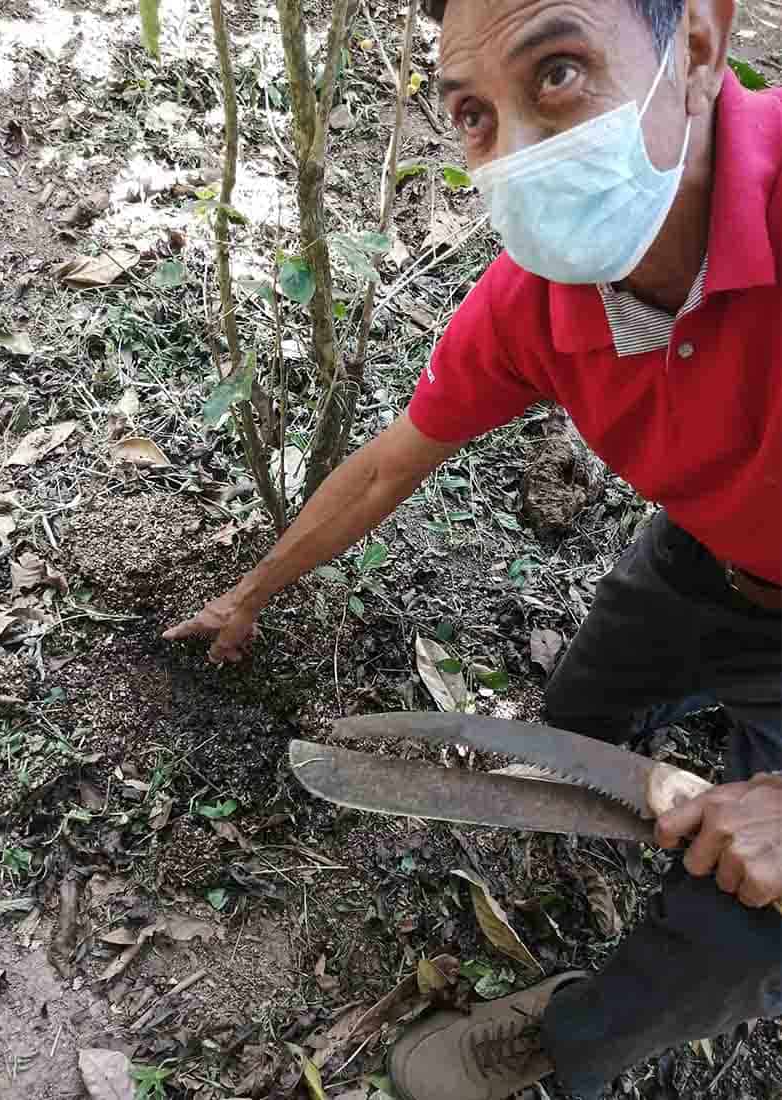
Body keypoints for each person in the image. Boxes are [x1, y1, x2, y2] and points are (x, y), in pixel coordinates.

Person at [164, 0, 782, 1095]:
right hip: (704, 554)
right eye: (472, 113)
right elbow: (391, 461)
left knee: (739, 929)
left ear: (695, 45)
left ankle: (573, 1034)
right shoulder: (537, 304)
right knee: (586, 704)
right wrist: (249, 592)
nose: (521, 151)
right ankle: (615, 797)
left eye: (556, 73)